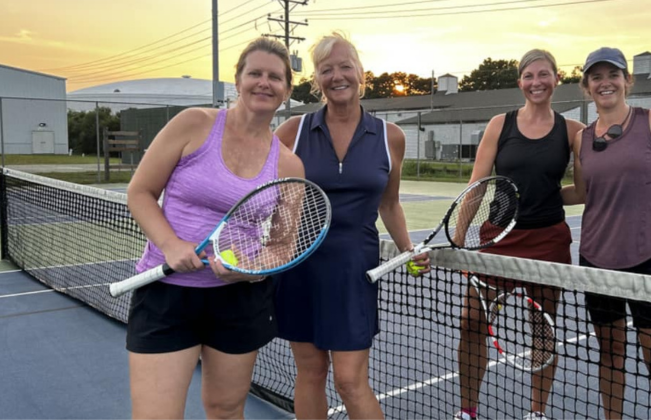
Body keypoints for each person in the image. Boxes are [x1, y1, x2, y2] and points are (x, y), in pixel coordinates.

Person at [456, 49, 651, 420]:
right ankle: (468, 411)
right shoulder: (501, 124)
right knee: (471, 322)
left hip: (548, 240)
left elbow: (597, 172)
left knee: (542, 330)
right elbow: (477, 184)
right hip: (498, 239)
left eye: (543, 74)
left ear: (556, 79)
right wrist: (458, 238)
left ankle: (536, 412)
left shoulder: (575, 132)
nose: (536, 82)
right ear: (520, 82)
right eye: (529, 76)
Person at [125, 37, 305, 419]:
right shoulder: (194, 124)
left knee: (225, 410)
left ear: (286, 90)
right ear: (237, 79)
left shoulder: (289, 166)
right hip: (166, 295)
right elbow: (140, 192)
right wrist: (171, 245)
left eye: (275, 77)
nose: (264, 83)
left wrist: (249, 271)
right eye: (254, 73)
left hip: (238, 302)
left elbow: (283, 244)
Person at [272, 32, 429, 420]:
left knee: (349, 380)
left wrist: (409, 248)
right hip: (299, 266)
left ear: (361, 74)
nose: (337, 75)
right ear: (317, 80)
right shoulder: (292, 132)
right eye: (326, 69)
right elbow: (268, 197)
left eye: (345, 66)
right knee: (310, 372)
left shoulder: (390, 137)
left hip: (354, 270)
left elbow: (389, 203)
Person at [564, 47, 651, 420]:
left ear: (627, 81)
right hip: (596, 261)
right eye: (596, 77)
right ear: (586, 87)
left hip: (648, 261)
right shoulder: (581, 139)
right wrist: (535, 199)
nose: (605, 83)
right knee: (611, 357)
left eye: (613, 75)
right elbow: (581, 194)